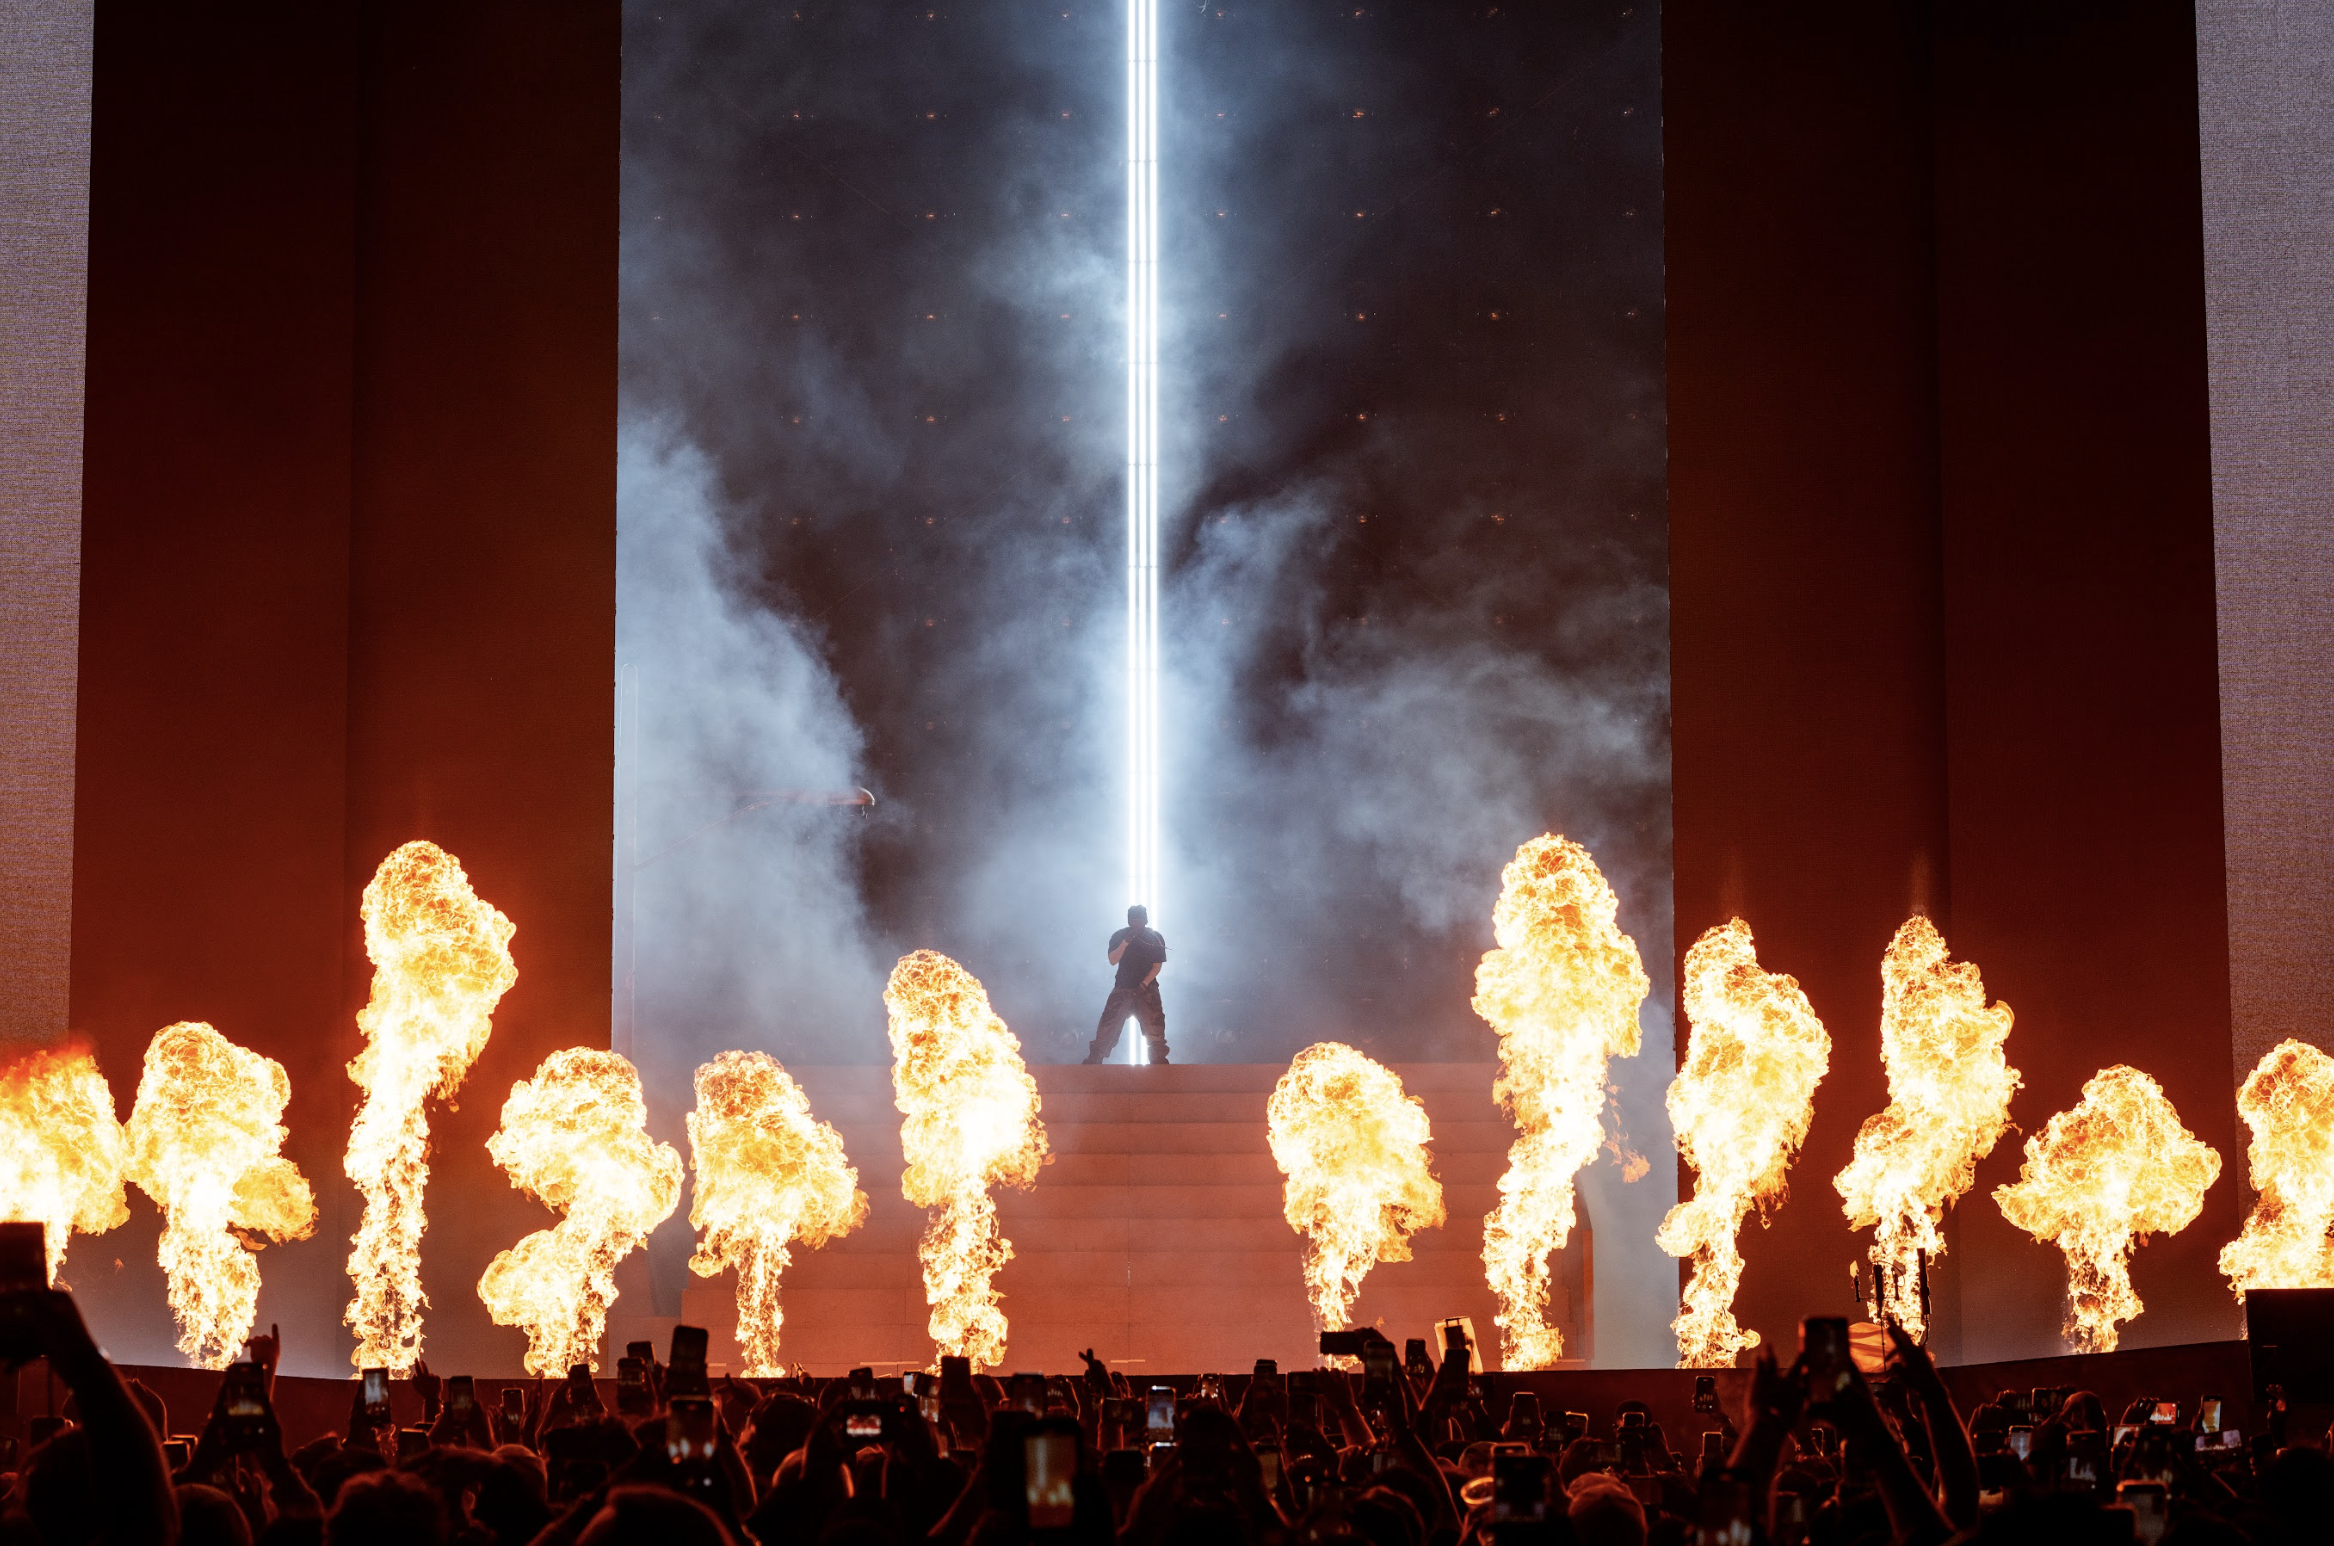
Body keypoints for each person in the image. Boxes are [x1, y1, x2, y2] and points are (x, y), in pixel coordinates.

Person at [1083, 904, 1168, 1065]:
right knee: (1109, 1022)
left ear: (1146, 920)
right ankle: (1096, 1058)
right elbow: (1113, 960)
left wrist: (1145, 983)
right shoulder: (1119, 936)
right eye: (1133, 920)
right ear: (1128, 921)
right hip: (1123, 987)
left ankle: (1158, 1060)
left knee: (1154, 1023)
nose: (1137, 923)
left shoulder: (1154, 937)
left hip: (1147, 988)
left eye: (1140, 920)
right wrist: (1126, 942)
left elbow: (1157, 966)